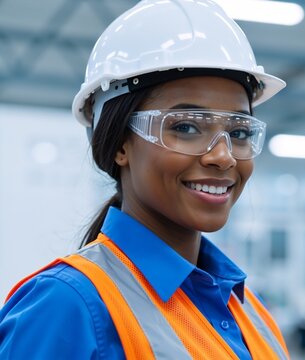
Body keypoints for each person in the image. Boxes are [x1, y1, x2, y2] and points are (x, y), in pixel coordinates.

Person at [0, 0, 289, 359]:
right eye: (186, 127)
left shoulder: (248, 312)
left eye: (240, 132)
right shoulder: (67, 308)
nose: (223, 155)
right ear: (120, 142)